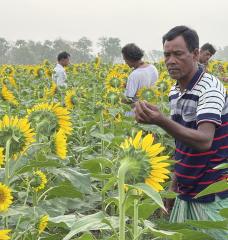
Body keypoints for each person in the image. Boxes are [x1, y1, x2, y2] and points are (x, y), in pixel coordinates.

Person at [134, 26, 228, 239]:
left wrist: (160, 121)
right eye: (167, 55)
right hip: (187, 189)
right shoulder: (176, 90)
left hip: (212, 191)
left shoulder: (209, 88)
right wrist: (175, 181)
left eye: (178, 54)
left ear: (195, 54)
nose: (170, 61)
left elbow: (204, 140)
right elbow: (182, 141)